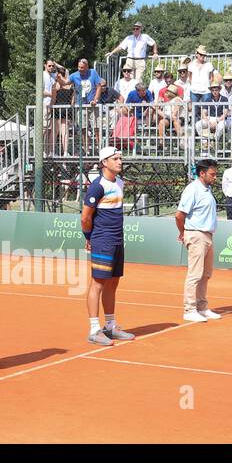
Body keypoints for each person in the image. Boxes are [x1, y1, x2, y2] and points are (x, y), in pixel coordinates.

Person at [81, 146, 135, 345]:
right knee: (98, 283)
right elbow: (85, 218)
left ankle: (110, 326)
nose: (120, 161)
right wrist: (89, 237)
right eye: (115, 159)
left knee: (113, 282)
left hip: (117, 240)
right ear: (105, 163)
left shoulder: (119, 183)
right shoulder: (97, 186)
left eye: (120, 158)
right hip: (102, 240)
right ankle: (95, 329)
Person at [175, 158, 223, 323]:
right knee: (195, 274)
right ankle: (189, 309)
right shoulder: (192, 189)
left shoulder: (207, 189)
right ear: (202, 173)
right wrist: (183, 233)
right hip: (196, 234)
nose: (215, 177)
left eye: (215, 174)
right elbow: (179, 215)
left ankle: (202, 307)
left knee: (205, 274)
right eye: (212, 174)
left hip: (208, 235)